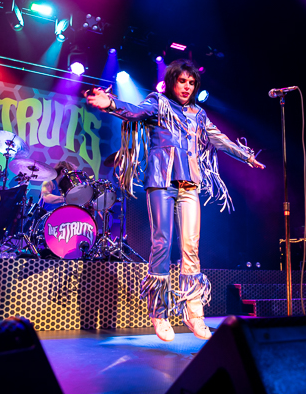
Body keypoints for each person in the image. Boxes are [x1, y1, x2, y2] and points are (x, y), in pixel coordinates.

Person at [85, 59, 265, 341]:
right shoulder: (158, 103)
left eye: (191, 83)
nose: (187, 87)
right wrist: (110, 103)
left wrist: (246, 156)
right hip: (161, 182)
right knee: (162, 242)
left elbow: (219, 139)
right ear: (172, 82)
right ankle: (159, 313)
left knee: (191, 247)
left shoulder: (198, 114)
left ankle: (194, 314)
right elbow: (134, 111)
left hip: (188, 183)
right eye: (182, 81)